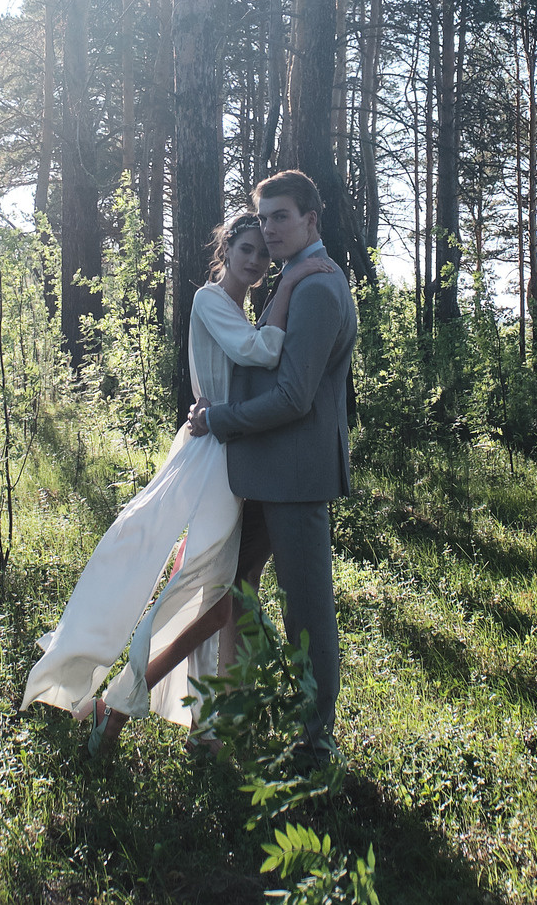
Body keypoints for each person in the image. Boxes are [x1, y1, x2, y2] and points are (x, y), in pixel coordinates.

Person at [21, 210, 338, 740]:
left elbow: (256, 365)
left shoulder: (239, 308)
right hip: (214, 456)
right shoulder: (209, 300)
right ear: (226, 249)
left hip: (236, 454)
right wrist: (291, 283)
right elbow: (260, 351)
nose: (257, 260)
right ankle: (123, 703)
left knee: (219, 592)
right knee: (204, 588)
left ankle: (201, 719)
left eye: (264, 253)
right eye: (247, 250)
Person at [186, 169, 357, 762]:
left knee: (306, 609)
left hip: (296, 476)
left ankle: (315, 740)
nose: (270, 229)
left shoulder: (317, 287)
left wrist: (219, 418)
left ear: (311, 219)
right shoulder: (293, 281)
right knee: (232, 592)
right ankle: (224, 715)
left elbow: (292, 397)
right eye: (262, 219)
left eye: (281, 216)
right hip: (262, 472)